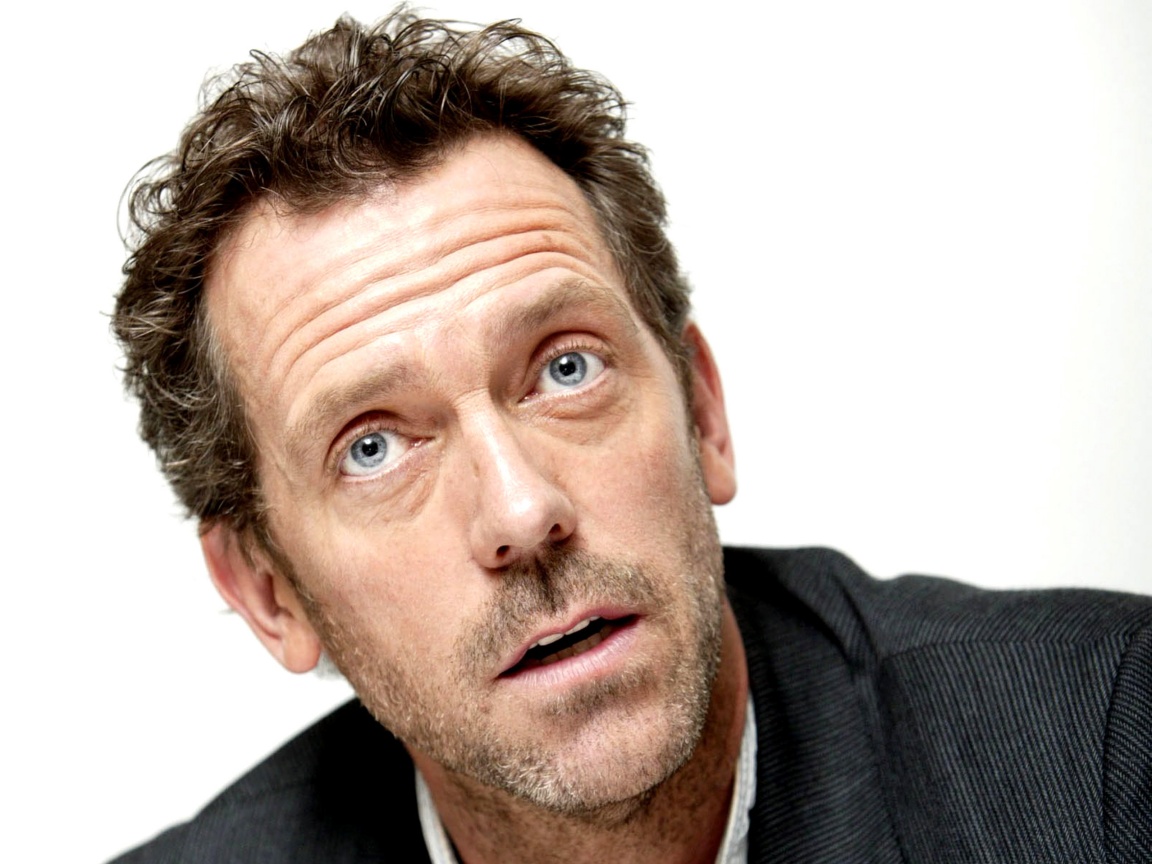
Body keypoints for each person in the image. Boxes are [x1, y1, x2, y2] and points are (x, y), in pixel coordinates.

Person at [110, 10, 1152, 863]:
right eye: (372, 447)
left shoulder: (1104, 758)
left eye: (567, 369)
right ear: (269, 593)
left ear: (702, 412)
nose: (523, 511)